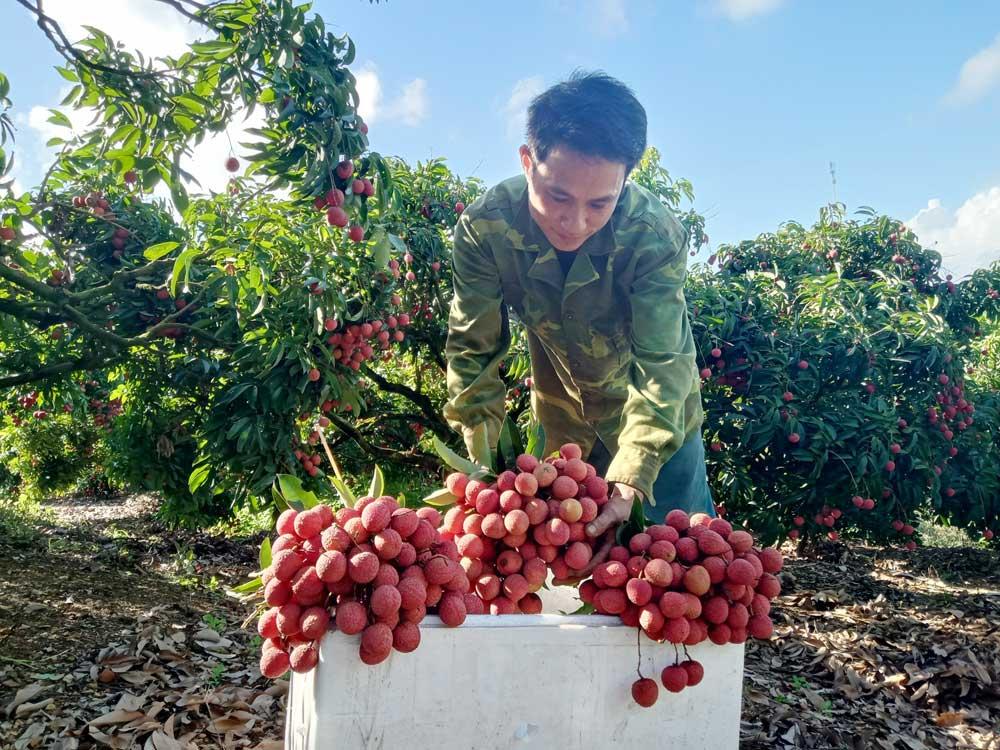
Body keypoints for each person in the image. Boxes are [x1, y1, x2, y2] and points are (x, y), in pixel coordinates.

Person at [443, 71, 714, 571]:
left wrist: (633, 478)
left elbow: (663, 363)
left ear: (627, 179)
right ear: (528, 162)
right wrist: (485, 466)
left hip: (660, 425)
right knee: (567, 580)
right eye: (559, 197)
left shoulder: (653, 235)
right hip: (564, 425)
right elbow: (472, 351)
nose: (575, 222)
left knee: (680, 571)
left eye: (600, 203)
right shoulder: (486, 229)